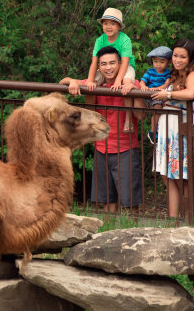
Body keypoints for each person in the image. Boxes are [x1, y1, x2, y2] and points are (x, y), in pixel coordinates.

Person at [60, 46, 146, 211]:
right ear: (98, 67)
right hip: (102, 148)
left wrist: (135, 92)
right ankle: (107, 233)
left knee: (130, 204)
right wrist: (72, 82)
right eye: (104, 64)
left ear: (121, 64)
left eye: (112, 63)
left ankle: (133, 233)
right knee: (107, 201)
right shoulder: (95, 84)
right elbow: (63, 81)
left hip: (126, 148)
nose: (108, 67)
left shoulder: (130, 83)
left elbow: (141, 116)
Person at [150, 39, 194, 219]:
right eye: (175, 55)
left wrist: (169, 94)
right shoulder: (172, 75)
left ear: (191, 58)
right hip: (166, 125)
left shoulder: (192, 75)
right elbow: (159, 90)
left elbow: (191, 93)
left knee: (184, 176)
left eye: (182, 56)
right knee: (169, 175)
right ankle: (173, 222)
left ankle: (191, 219)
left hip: (182, 127)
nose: (178, 59)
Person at [85, 8, 137, 133]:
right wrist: (91, 80)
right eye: (105, 23)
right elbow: (94, 62)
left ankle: (128, 120)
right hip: (106, 67)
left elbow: (124, 62)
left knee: (127, 85)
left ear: (119, 26)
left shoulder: (125, 39)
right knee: (90, 87)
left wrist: (118, 80)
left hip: (126, 66)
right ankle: (92, 120)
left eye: (112, 23)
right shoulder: (100, 40)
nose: (108, 26)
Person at [140, 46, 172, 144]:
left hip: (164, 95)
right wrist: (144, 87)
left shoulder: (168, 73)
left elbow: (166, 84)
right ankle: (153, 131)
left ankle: (163, 132)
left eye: (162, 62)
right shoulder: (150, 72)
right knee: (157, 107)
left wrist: (158, 89)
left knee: (167, 112)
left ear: (168, 62)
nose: (158, 65)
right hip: (154, 96)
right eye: (155, 61)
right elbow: (142, 81)